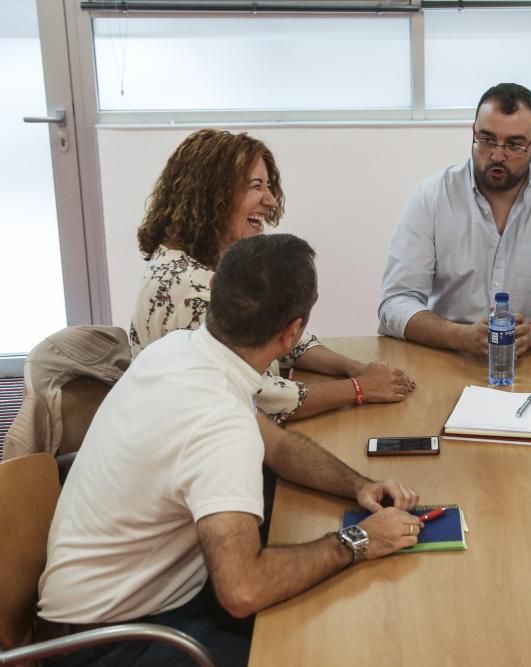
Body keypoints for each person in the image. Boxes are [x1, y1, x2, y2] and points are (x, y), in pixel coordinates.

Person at [39, 235, 424, 667]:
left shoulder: (180, 351)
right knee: (329, 645)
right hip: (118, 643)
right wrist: (358, 540)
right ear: (291, 332)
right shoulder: (220, 423)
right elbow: (243, 590)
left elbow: (277, 446)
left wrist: (360, 485)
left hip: (119, 605)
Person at [131, 128, 414, 423]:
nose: (271, 201)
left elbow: (273, 333)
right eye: (256, 186)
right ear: (212, 193)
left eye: (268, 186)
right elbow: (259, 397)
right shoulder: (190, 289)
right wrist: (359, 388)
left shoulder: (200, 262)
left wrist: (353, 367)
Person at [378, 83, 531, 358]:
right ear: (473, 133)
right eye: (487, 139)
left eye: (514, 144)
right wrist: (459, 336)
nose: (498, 155)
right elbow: (394, 303)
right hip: (448, 355)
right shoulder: (431, 197)